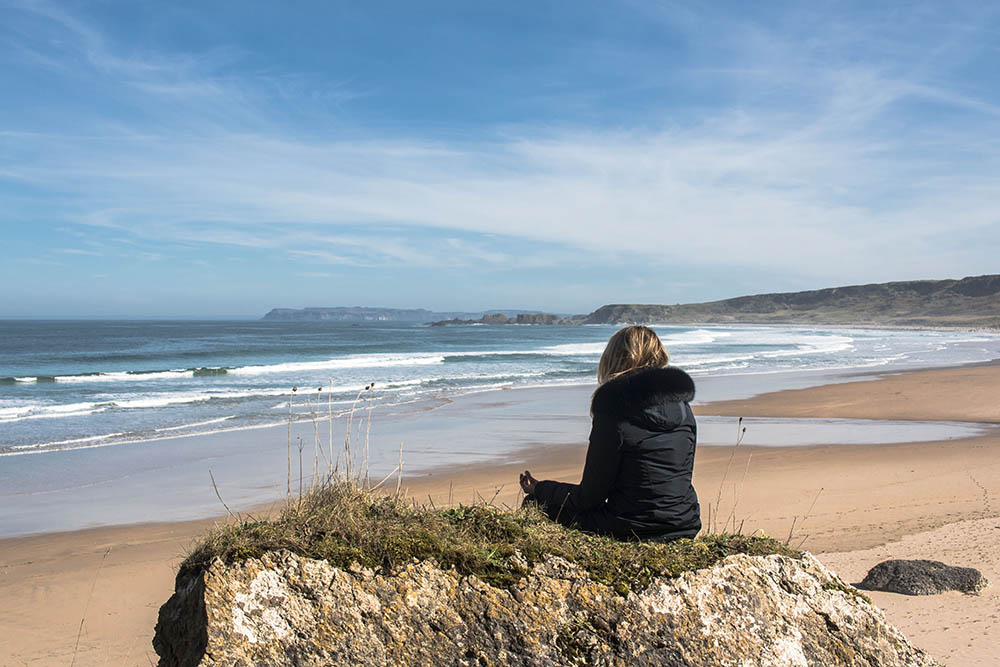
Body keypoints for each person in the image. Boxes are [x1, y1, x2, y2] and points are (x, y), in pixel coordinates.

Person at [519, 325, 701, 541]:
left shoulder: (613, 410)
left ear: (615, 359)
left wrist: (540, 489)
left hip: (631, 528)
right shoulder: (683, 407)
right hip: (684, 523)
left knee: (535, 505)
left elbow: (589, 498)